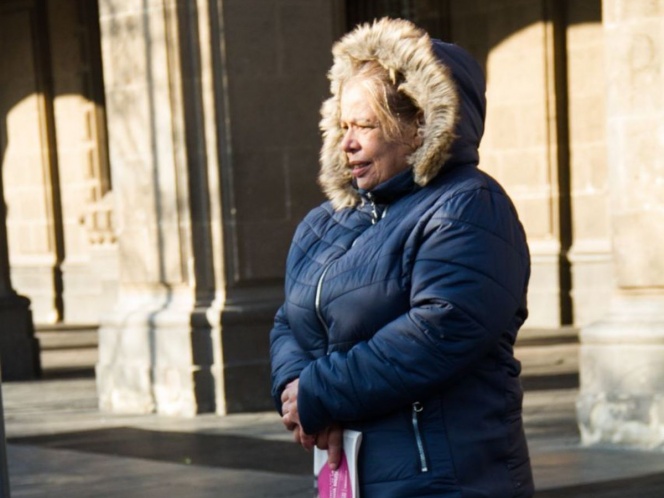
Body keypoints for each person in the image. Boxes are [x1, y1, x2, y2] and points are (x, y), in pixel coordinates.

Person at [270, 17, 534, 498]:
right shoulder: (325, 221)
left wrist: (323, 391)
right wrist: (297, 391)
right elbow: (288, 319)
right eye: (343, 126)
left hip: (448, 481)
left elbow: (440, 328)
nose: (346, 142)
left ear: (419, 126)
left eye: (365, 126)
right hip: (353, 477)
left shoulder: (469, 205)